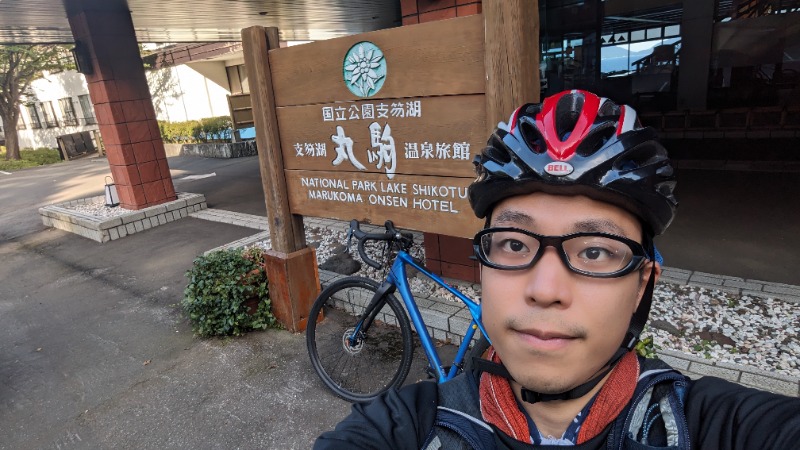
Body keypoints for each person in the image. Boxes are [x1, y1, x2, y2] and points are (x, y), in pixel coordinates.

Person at [314, 90, 800, 449]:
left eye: (595, 252)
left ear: (640, 286)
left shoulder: (717, 425)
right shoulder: (402, 427)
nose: (545, 290)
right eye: (512, 243)